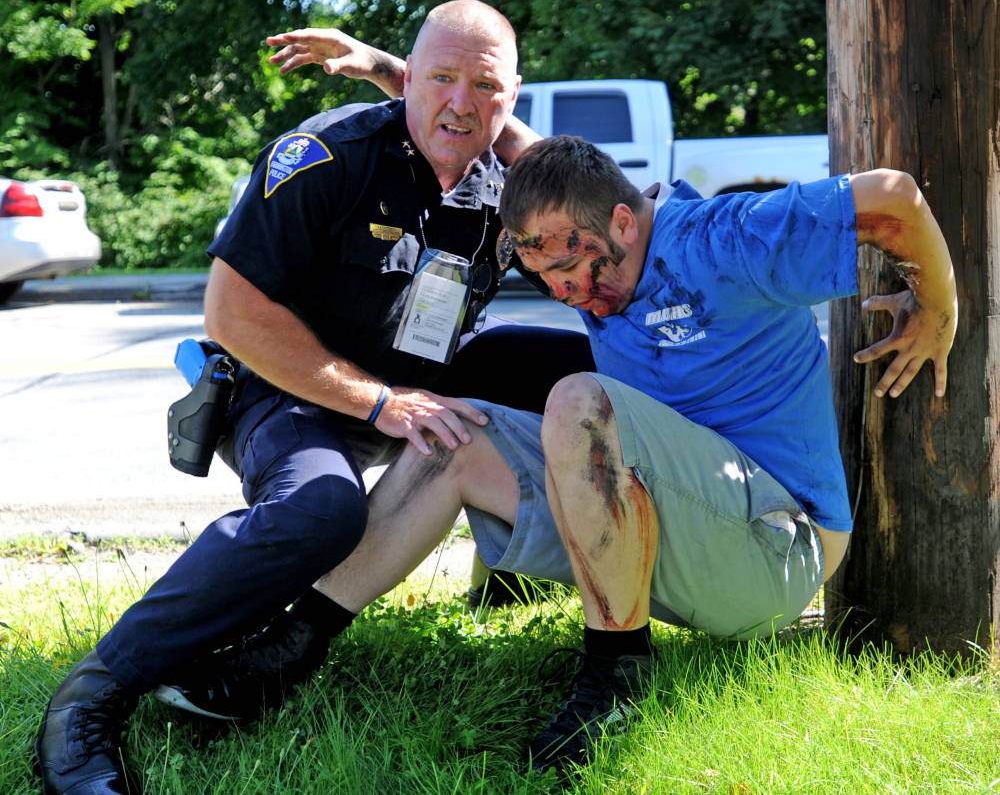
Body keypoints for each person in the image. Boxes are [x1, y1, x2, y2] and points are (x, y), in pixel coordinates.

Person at [153, 134, 956, 776]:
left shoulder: (725, 237)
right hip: (676, 521)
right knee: (453, 428)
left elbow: (895, 195)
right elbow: (516, 142)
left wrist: (939, 309)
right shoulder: (585, 223)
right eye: (547, 278)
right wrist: (395, 73)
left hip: (774, 543)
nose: (570, 293)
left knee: (576, 396)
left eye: (574, 267)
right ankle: (293, 649)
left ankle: (615, 680)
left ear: (626, 221)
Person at [34, 0, 596, 795]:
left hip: (422, 372)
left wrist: (390, 65)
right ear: (413, 79)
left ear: (513, 96)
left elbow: (572, 184)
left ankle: (507, 576)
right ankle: (92, 696)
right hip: (288, 389)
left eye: (487, 87)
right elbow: (230, 314)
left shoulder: (505, 178)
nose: (462, 103)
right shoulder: (329, 154)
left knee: (582, 369)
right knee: (323, 511)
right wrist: (381, 406)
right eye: (440, 77)